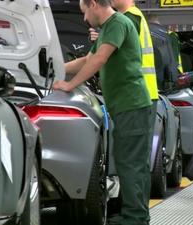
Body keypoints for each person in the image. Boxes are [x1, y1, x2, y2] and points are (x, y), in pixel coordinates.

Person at [53, 0, 153, 225]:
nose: (84, 19)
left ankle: (136, 218)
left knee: (131, 164)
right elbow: (88, 59)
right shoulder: (108, 27)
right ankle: (135, 215)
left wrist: (70, 85)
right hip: (126, 106)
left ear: (94, 4)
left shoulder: (118, 22)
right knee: (129, 162)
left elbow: (99, 59)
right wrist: (56, 68)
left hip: (132, 105)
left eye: (84, 12)